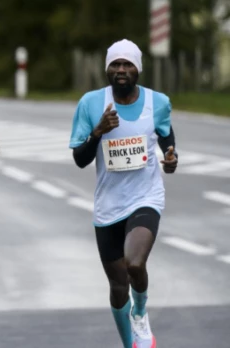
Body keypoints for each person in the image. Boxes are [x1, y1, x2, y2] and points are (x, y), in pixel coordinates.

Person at [68, 39, 177, 348]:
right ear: (107, 70)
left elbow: (168, 142)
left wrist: (170, 159)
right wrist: (98, 131)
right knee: (118, 287)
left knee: (134, 264)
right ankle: (131, 343)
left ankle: (140, 313)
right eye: (115, 64)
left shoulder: (158, 103)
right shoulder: (91, 104)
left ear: (138, 70)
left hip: (146, 197)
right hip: (108, 206)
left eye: (128, 64)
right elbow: (80, 159)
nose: (121, 70)